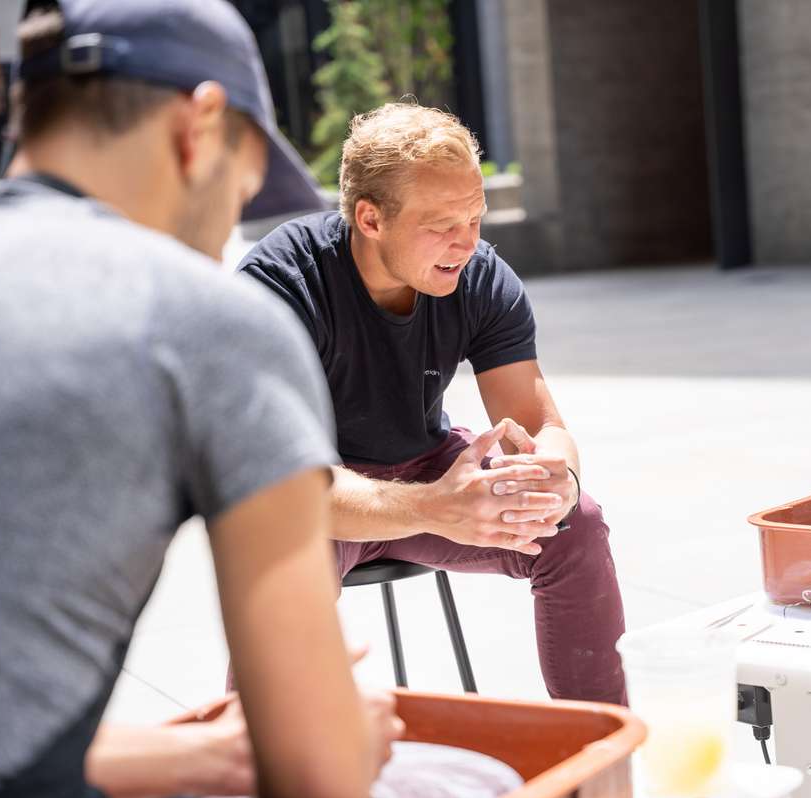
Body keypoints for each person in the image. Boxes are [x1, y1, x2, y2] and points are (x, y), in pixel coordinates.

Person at [0, 1, 395, 798]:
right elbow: (319, 779)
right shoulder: (206, 321)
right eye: (242, 192)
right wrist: (344, 734)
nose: (225, 240)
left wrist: (207, 753)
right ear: (199, 126)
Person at [237, 103, 627, 704]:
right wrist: (432, 508)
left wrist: (559, 476)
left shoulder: (480, 278)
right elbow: (285, 488)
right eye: (442, 223)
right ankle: (253, 773)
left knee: (577, 527)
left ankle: (603, 759)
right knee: (279, 559)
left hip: (426, 467)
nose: (466, 242)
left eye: (475, 217)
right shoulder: (282, 285)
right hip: (317, 499)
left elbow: (538, 424)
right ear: (370, 219)